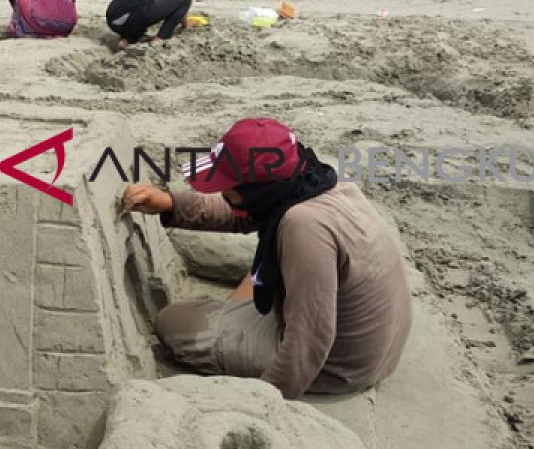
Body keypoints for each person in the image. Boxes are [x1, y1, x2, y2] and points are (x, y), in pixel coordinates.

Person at [121, 118, 412, 400]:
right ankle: (237, 320)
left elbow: (312, 338)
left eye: (228, 185)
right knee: (264, 269)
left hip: (337, 365)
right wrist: (170, 203)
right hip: (375, 346)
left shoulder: (303, 227)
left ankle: (236, 326)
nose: (222, 191)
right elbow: (242, 212)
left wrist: (265, 402)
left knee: (174, 322)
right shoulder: (314, 183)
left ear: (258, 191)